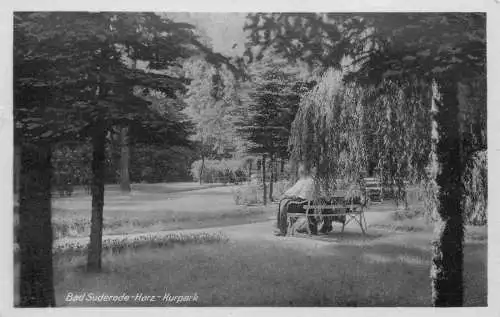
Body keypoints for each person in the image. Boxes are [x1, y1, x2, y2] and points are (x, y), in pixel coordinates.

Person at [275, 163, 319, 236]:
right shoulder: (312, 180)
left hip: (301, 205)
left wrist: (284, 195)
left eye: (299, 172)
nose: (298, 174)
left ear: (302, 172)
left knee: (283, 204)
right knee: (285, 202)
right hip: (309, 205)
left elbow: (293, 191)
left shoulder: (303, 180)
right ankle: (312, 230)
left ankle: (282, 230)